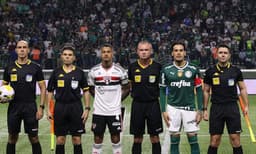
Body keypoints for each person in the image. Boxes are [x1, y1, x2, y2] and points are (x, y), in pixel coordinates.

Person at [1, 40, 46, 154]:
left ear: (28, 50)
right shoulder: (9, 68)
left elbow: (43, 88)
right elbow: (3, 87)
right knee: (12, 137)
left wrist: (41, 107)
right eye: (19, 47)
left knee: (34, 137)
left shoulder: (35, 67)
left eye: (24, 47)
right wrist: (2, 97)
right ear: (16, 50)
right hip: (14, 107)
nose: (21, 49)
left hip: (30, 106)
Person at [203, 44, 249, 154]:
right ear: (216, 55)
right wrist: (204, 109)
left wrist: (246, 105)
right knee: (214, 140)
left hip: (232, 107)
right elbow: (206, 91)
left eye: (225, 53)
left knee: (235, 139)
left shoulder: (236, 71)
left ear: (229, 55)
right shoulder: (210, 71)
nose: (223, 55)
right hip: (216, 108)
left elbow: (242, 88)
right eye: (220, 53)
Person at [159, 41, 203, 154]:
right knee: (174, 138)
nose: (178, 53)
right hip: (173, 108)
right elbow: (162, 91)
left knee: (193, 137)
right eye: (176, 50)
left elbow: (199, 90)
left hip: (190, 108)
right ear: (172, 53)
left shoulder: (194, 69)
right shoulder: (166, 69)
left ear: (185, 53)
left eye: (181, 50)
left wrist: (200, 109)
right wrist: (163, 110)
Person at [46, 43, 90, 154]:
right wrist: (48, 109)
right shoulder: (56, 72)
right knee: (60, 140)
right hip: (60, 107)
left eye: (70, 55)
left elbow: (86, 91)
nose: (67, 56)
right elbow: (50, 91)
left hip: (75, 107)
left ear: (74, 57)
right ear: (61, 56)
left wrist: (87, 108)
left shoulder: (79, 72)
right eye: (65, 54)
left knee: (76, 139)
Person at [87, 44, 130, 154]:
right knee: (97, 138)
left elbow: (126, 88)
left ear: (112, 54)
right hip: (99, 111)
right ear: (101, 54)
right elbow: (91, 88)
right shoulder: (94, 71)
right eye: (104, 52)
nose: (106, 54)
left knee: (115, 137)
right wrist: (99, 99)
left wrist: (117, 100)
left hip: (114, 111)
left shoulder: (120, 71)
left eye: (108, 52)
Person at [128, 40, 163, 154]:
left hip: (153, 104)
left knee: (155, 137)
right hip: (137, 105)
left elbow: (162, 88)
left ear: (151, 51)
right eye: (141, 50)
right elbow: (129, 86)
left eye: (146, 50)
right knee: (137, 138)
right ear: (137, 52)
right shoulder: (132, 67)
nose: (144, 52)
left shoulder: (158, 67)